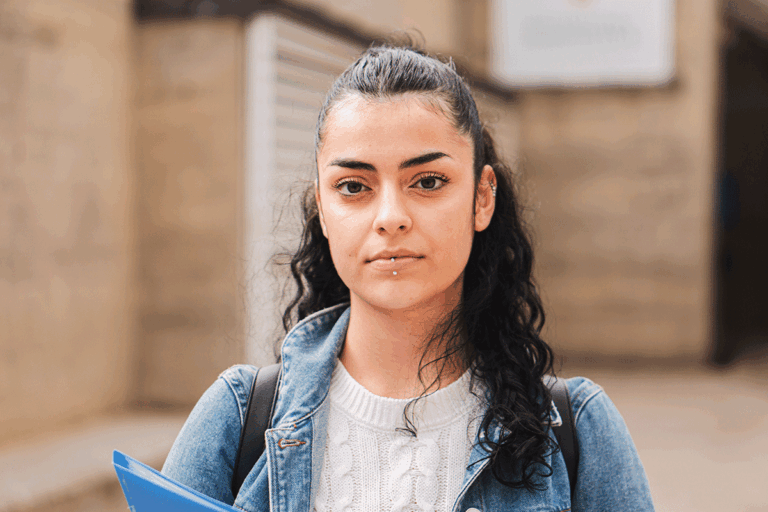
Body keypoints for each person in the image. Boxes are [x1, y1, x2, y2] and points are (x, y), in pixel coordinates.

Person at [161, 44, 655, 512]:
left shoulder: (578, 430)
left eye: (428, 182)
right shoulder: (237, 420)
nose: (391, 217)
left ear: (483, 198)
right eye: (353, 186)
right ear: (323, 211)